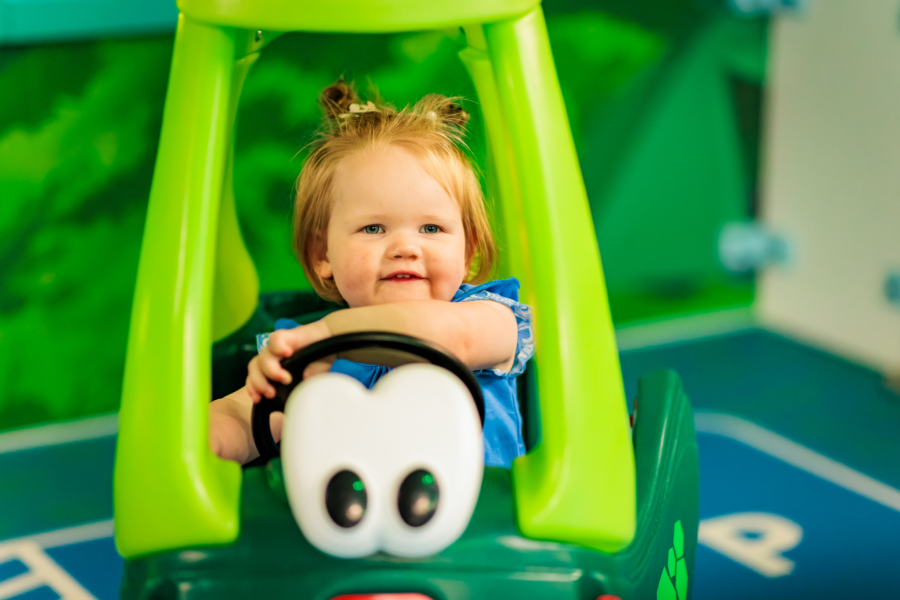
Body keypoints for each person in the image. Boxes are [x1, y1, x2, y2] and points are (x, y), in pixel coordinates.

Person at [208, 80, 534, 468]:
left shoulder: (490, 316)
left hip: (484, 524)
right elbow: (242, 418)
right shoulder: (306, 354)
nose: (405, 247)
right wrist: (203, 439)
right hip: (346, 523)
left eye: (431, 229)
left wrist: (329, 336)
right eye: (373, 228)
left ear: (469, 252)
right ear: (321, 255)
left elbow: (452, 338)